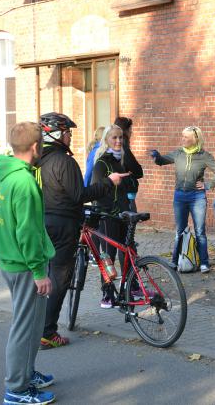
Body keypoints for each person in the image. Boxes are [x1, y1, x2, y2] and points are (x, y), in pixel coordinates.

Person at [37, 112, 127, 349]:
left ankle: (37, 325)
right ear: (56, 134)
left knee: (45, 276)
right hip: (63, 225)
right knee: (60, 278)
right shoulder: (63, 162)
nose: (70, 136)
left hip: (43, 222)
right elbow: (80, 195)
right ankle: (47, 333)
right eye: (67, 132)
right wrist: (109, 182)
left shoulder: (37, 161)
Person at [0, 122, 56, 405]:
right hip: (25, 265)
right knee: (25, 328)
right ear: (35, 147)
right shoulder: (25, 183)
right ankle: (16, 389)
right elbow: (27, 232)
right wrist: (39, 271)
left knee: (32, 324)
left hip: (10, 260)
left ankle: (26, 374)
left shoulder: (2, 173)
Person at [150, 126, 215, 273]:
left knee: (200, 231)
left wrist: (208, 185)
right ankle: (174, 261)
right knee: (179, 231)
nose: (182, 139)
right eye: (182, 136)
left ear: (195, 139)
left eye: (186, 137)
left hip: (197, 197)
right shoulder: (178, 153)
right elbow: (162, 160)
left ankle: (204, 263)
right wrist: (156, 156)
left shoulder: (204, 155)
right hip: (180, 196)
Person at [90, 124, 134, 308]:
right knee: (108, 256)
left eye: (121, 137)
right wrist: (109, 208)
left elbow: (131, 184)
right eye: (114, 137)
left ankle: (130, 287)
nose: (118, 141)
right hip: (107, 215)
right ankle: (107, 294)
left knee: (129, 251)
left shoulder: (121, 160)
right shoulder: (102, 163)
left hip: (123, 213)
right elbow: (96, 189)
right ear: (106, 140)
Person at [114, 117, 143, 212]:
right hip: (125, 195)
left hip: (113, 195)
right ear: (125, 131)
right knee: (130, 218)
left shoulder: (105, 150)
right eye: (130, 129)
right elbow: (138, 171)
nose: (131, 132)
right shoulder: (123, 149)